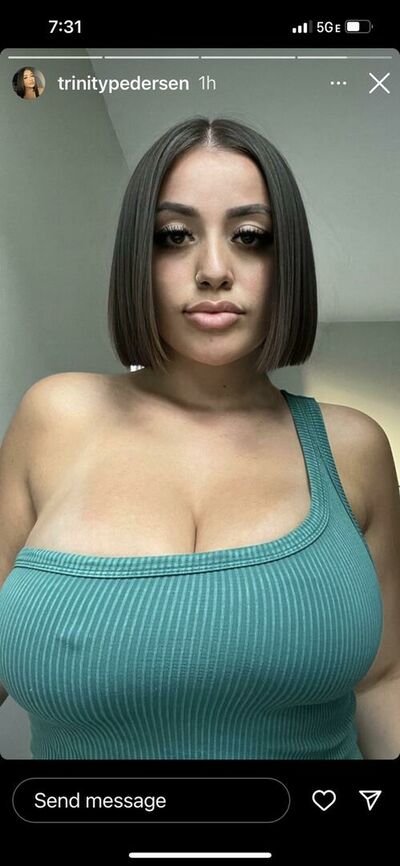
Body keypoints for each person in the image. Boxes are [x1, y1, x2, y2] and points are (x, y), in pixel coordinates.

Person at [0, 116, 399, 761]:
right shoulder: (53, 417)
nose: (214, 270)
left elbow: (384, 680)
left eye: (250, 237)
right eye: (175, 236)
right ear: (138, 257)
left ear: (287, 262)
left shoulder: (354, 448)